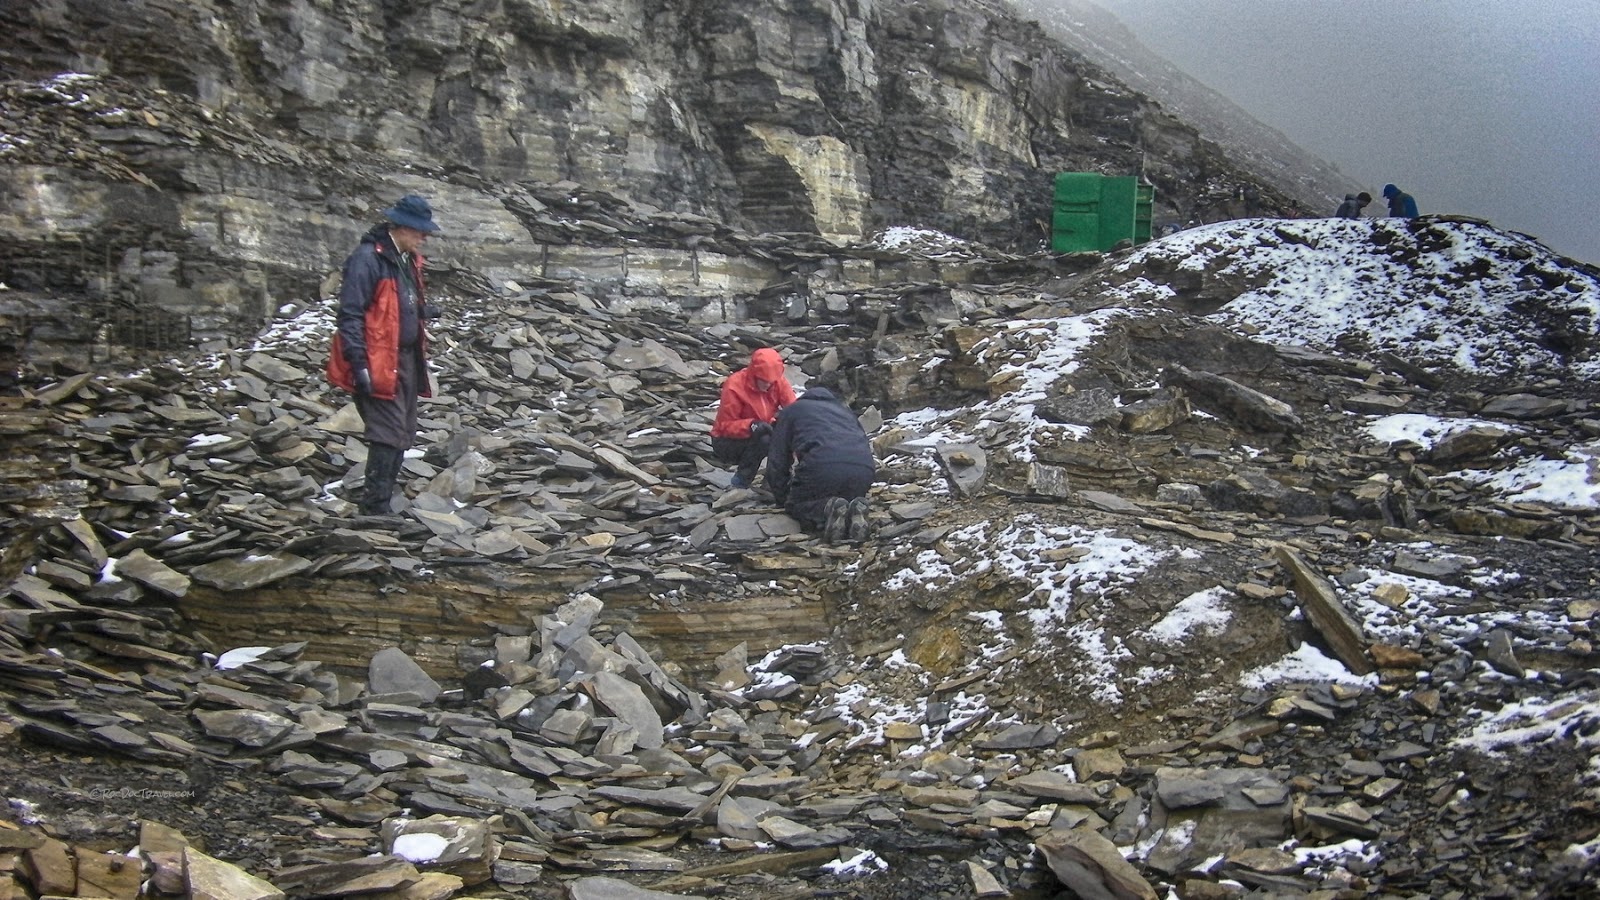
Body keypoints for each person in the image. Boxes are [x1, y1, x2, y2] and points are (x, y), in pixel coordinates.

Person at [326, 195, 440, 517]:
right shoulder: (368, 260)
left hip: (404, 358)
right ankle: (374, 508)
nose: (425, 237)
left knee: (403, 430)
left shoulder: (406, 260)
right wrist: (358, 364)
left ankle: (382, 502)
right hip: (377, 359)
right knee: (388, 433)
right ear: (401, 227)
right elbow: (350, 315)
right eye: (420, 231)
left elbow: (393, 306)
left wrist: (421, 313)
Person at [767, 385, 877, 543]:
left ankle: (827, 509)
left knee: (797, 505)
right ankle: (853, 511)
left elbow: (778, 460)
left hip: (823, 467)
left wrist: (782, 498)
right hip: (863, 469)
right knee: (846, 500)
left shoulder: (792, 411)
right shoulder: (846, 412)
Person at [709, 347, 796, 488]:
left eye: (771, 381)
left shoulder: (777, 382)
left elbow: (794, 410)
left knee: (785, 431)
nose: (767, 385)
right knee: (765, 440)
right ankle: (741, 481)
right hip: (726, 442)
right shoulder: (734, 386)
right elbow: (725, 426)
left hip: (761, 430)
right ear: (754, 373)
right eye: (763, 380)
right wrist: (751, 425)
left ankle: (774, 482)